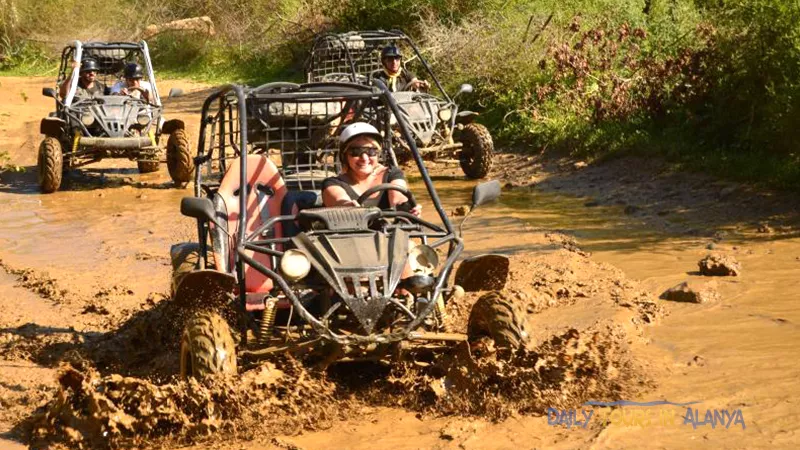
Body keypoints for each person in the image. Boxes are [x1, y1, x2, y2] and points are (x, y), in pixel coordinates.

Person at [322, 122, 422, 216]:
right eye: (356, 151)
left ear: (378, 153)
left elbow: (399, 198)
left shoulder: (392, 174)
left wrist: (408, 208)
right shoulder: (332, 184)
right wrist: (348, 207)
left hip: (390, 231)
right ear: (344, 156)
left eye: (371, 151)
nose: (365, 158)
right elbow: (339, 201)